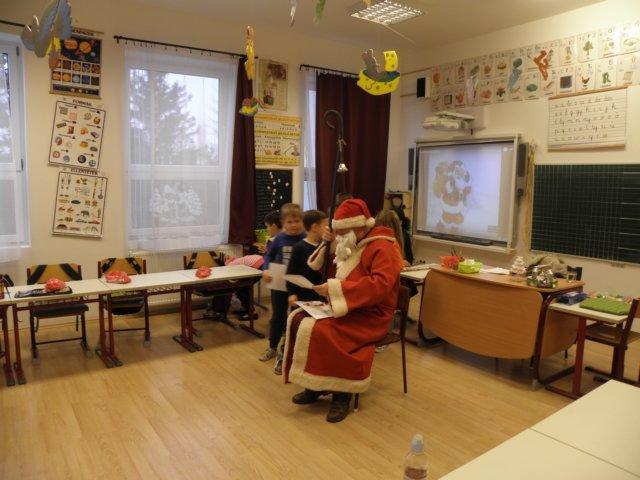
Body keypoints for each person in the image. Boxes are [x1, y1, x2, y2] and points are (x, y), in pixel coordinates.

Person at [283, 199, 403, 423]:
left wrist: (335, 289)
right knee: (299, 319)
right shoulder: (354, 241)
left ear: (359, 226)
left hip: (372, 313)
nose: (339, 236)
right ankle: (317, 384)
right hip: (350, 305)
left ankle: (342, 393)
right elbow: (329, 268)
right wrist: (327, 244)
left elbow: (380, 286)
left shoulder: (383, 247)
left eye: (342, 232)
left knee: (326, 331)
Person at [260, 203, 306, 365]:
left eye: (297, 221)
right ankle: (272, 346)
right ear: (283, 222)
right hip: (279, 283)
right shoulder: (279, 238)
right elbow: (268, 256)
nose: (293, 225)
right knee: (278, 316)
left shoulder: (305, 238)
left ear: (302, 221)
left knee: (296, 318)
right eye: (289, 222)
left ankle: (291, 349)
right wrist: (266, 269)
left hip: (298, 285)